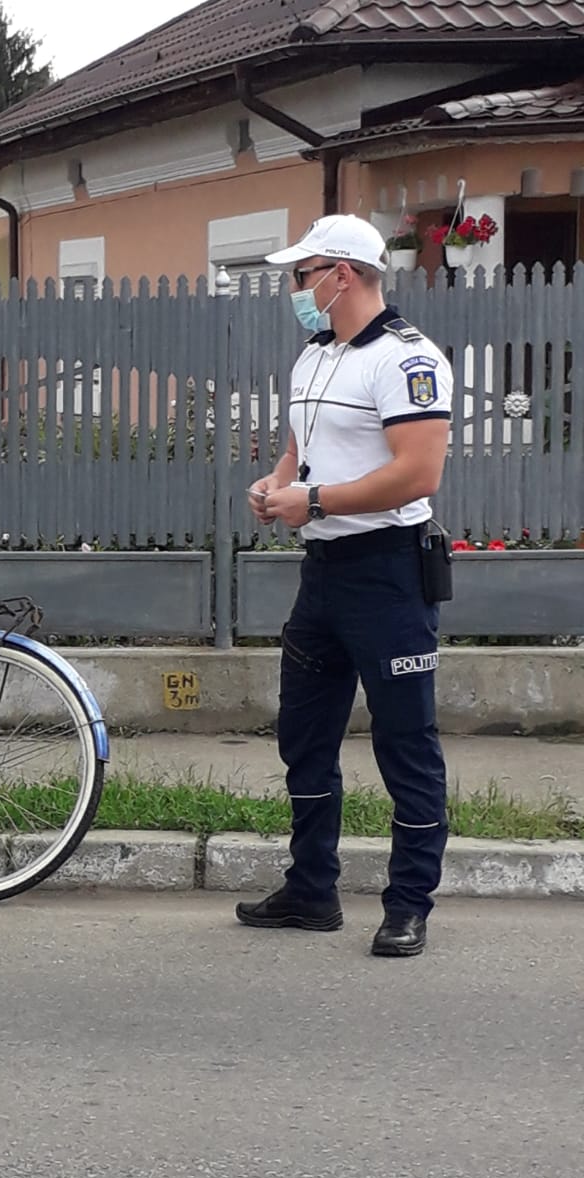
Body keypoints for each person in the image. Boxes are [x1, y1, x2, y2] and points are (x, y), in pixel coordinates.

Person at [239, 215, 454, 958]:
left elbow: (417, 474)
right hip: (322, 573)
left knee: (405, 743)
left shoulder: (406, 360)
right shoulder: (314, 357)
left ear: (344, 274)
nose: (295, 287)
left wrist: (319, 500)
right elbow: (303, 449)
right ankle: (311, 889)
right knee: (303, 736)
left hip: (389, 571)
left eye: (304, 273)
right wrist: (276, 483)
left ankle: (408, 904)